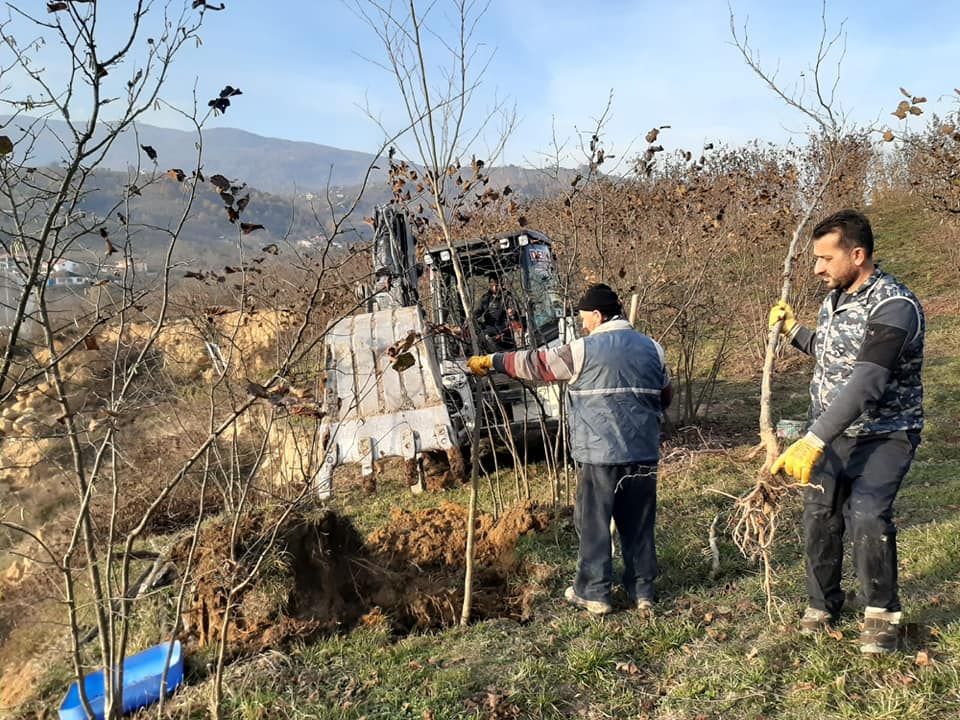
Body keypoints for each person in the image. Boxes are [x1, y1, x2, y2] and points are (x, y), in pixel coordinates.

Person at [769, 209, 924, 654]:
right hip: (833, 431)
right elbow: (830, 350)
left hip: (886, 431)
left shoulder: (895, 306)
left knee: (867, 514)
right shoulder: (834, 299)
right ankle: (824, 603)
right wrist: (792, 330)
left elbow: (867, 379)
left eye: (824, 258)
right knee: (819, 515)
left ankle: (881, 613)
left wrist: (812, 439)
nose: (817, 268)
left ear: (857, 255)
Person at [467, 283, 672, 615]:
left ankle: (594, 592)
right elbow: (666, 396)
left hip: (599, 455)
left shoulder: (582, 350)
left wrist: (492, 360)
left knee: (592, 522)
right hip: (643, 454)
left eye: (584, 319)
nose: (582, 325)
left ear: (597, 314)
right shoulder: (654, 348)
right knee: (639, 524)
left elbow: (535, 364)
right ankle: (643, 591)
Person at [473, 273, 517, 351]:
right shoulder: (485, 299)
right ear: (489, 284)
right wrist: (481, 329)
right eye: (492, 285)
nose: (495, 287)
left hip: (507, 334)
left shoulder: (507, 296)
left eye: (497, 285)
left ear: (501, 284)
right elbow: (475, 315)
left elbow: (516, 313)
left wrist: (512, 313)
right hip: (491, 336)